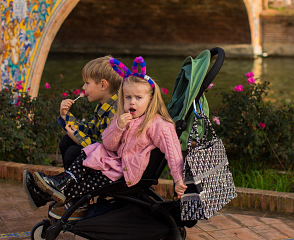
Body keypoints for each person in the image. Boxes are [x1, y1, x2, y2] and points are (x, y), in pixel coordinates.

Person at [31, 56, 186, 211]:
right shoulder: (122, 117)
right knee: (95, 149)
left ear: (151, 99)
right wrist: (118, 126)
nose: (132, 102)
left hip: (125, 174)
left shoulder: (158, 124)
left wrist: (178, 179)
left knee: (85, 181)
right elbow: (109, 145)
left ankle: (45, 194)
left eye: (138, 98)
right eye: (128, 97)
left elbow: (173, 152)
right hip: (112, 164)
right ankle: (61, 182)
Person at [23, 55, 122, 217]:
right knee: (66, 141)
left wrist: (79, 137)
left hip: (110, 163)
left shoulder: (115, 111)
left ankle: (75, 201)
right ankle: (61, 194)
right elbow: (91, 130)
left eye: (87, 83)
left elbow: (107, 147)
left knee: (73, 151)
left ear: (103, 85)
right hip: (101, 156)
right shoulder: (104, 106)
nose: (83, 87)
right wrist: (65, 115)